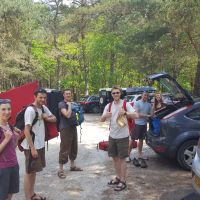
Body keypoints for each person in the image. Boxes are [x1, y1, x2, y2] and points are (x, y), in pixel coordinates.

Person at [100, 86, 138, 191]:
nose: (115, 94)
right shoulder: (109, 106)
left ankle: (123, 181)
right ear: (111, 95)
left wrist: (125, 113)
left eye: (117, 92)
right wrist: (105, 116)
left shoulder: (126, 104)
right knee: (115, 158)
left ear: (120, 93)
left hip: (123, 137)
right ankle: (118, 177)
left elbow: (136, 115)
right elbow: (101, 120)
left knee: (122, 159)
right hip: (112, 136)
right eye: (113, 93)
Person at [21, 88, 56, 200]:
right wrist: (32, 148)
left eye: (45, 97)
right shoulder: (30, 110)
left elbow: (54, 119)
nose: (43, 99)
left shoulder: (44, 108)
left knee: (34, 171)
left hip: (40, 144)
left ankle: (32, 194)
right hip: (32, 146)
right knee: (29, 172)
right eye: (40, 97)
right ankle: (27, 197)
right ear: (35, 96)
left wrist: (46, 117)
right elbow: (26, 130)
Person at [58, 89, 82, 179]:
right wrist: (69, 106)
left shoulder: (72, 103)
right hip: (65, 128)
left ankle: (72, 166)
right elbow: (67, 115)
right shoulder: (62, 104)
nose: (68, 95)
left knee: (73, 146)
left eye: (69, 93)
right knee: (64, 148)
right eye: (66, 94)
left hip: (73, 127)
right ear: (63, 95)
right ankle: (60, 170)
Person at [0, 99, 20, 200]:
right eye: (3, 109)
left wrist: (16, 138)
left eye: (9, 109)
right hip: (2, 168)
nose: (7, 112)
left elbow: (12, 147)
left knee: (10, 194)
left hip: (13, 165)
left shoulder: (10, 126)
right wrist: (6, 139)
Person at [132, 92, 153, 168]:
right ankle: (127, 155)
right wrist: (147, 116)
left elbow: (151, 114)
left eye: (147, 95)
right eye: (145, 95)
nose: (146, 96)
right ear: (142, 95)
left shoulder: (149, 104)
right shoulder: (137, 103)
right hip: (137, 124)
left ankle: (140, 154)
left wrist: (154, 108)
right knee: (133, 140)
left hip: (144, 125)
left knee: (141, 140)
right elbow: (137, 114)